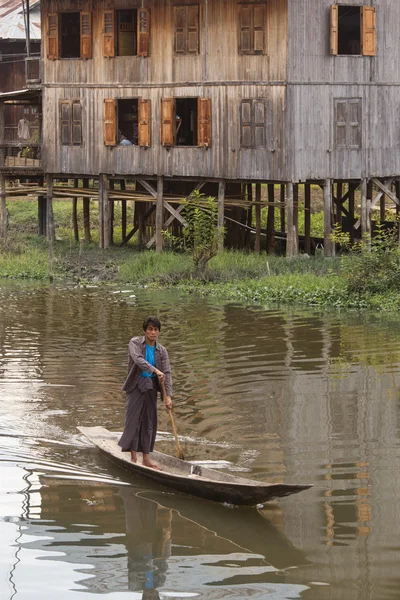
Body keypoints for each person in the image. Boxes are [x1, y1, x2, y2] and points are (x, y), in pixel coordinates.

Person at [118, 316, 173, 469]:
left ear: (159, 332)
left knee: (149, 422)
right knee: (133, 420)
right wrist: (155, 370)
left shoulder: (162, 351)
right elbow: (138, 360)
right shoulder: (135, 343)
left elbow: (167, 373)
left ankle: (146, 459)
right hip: (136, 385)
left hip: (151, 386)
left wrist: (168, 396)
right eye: (150, 329)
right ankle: (134, 457)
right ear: (145, 330)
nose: (153, 332)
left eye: (155, 330)